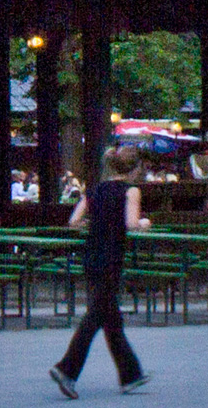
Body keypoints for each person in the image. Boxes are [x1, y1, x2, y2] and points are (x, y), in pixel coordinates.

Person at [52, 151, 147, 397]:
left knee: (110, 318)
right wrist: (145, 223)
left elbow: (74, 221)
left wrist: (96, 224)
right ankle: (67, 369)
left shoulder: (94, 190)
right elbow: (131, 224)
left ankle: (131, 374)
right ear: (134, 169)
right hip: (112, 256)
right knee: (96, 316)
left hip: (91, 255)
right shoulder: (131, 191)